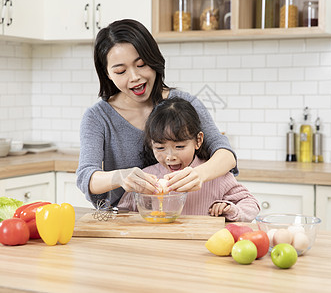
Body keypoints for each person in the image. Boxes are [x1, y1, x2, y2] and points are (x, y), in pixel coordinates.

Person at [76, 19, 238, 207]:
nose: (135, 77)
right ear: (107, 74)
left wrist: (198, 174)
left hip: (187, 217)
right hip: (125, 221)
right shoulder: (98, 117)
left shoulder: (184, 104)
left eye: (142, 64)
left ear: (154, 60)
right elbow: (86, 176)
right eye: (121, 71)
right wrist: (120, 177)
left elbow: (226, 155)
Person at [118, 97, 260, 222]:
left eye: (179, 146)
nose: (170, 156)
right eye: (160, 148)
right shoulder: (147, 176)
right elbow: (123, 212)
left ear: (198, 140)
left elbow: (251, 204)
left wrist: (230, 209)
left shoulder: (217, 176)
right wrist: (143, 203)